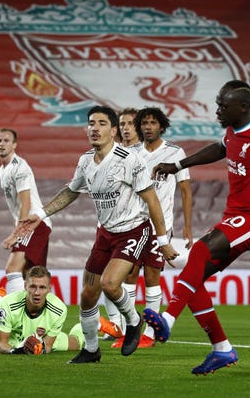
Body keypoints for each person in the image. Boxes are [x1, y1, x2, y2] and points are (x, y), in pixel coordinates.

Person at [143, 80, 250, 375]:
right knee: (194, 276)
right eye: (217, 105)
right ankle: (222, 349)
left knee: (200, 250)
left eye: (222, 106)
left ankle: (168, 321)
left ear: (242, 108)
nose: (217, 111)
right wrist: (177, 165)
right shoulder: (233, 131)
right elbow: (220, 148)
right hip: (234, 216)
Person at [20, 105, 178, 363]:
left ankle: (134, 321)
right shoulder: (85, 161)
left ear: (114, 130)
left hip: (133, 231)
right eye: (91, 123)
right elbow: (72, 191)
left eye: (102, 123)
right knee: (87, 294)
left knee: (109, 284)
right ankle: (92, 350)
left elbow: (152, 200)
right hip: (105, 234)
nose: (94, 128)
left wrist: (162, 242)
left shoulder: (129, 160)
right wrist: (41, 213)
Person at [110, 107, 193, 349]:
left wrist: (187, 227)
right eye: (144, 123)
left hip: (161, 225)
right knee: (129, 276)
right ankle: (130, 330)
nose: (147, 127)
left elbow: (186, 191)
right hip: (134, 225)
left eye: (152, 123)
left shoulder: (175, 153)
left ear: (162, 126)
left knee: (151, 277)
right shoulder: (131, 152)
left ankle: (149, 333)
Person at [0, 128, 52, 302]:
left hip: (35, 223)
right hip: (31, 224)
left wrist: (15, 235)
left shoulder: (20, 168)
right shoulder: (3, 170)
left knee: (12, 269)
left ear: (15, 145)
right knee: (32, 277)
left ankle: (8, 308)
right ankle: (33, 317)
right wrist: (16, 230)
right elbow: (16, 209)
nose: (2, 144)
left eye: (6, 141)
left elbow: (26, 204)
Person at [0, 265, 85, 354]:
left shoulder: (59, 309)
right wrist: (18, 351)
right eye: (32, 287)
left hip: (40, 337)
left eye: (42, 287)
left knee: (77, 344)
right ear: (25, 287)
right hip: (11, 336)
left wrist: (38, 347)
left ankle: (90, 324)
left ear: (49, 289)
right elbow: (1, 344)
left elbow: (48, 346)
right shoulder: (8, 305)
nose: (37, 292)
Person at [102, 107, 142, 337]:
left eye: (130, 124)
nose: (126, 128)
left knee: (126, 275)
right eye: (123, 124)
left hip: (132, 223)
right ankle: (115, 325)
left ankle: (130, 324)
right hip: (108, 222)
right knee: (104, 277)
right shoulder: (110, 152)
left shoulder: (142, 154)